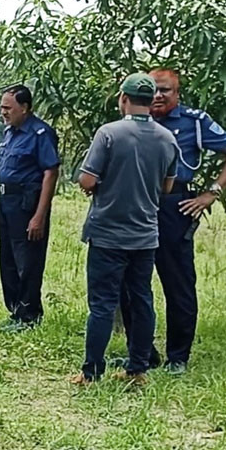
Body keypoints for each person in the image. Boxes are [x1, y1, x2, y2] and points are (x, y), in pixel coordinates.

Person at [119, 68, 226, 376]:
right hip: (135, 204)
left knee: (178, 283)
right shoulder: (132, 121)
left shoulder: (194, 121)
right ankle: (142, 354)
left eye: (165, 90)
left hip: (173, 206)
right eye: (153, 89)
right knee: (128, 280)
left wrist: (211, 194)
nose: (158, 95)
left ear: (177, 94)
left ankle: (178, 357)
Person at [75, 73, 179, 386]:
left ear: (123, 98)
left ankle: (92, 372)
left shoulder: (109, 133)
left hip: (107, 234)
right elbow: (167, 187)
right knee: (142, 300)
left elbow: (87, 180)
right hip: (145, 236)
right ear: (151, 101)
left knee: (102, 305)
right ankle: (137, 370)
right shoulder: (167, 139)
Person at [0, 85, 60, 330]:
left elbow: (50, 172)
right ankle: (15, 310)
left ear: (24, 107)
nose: (3, 112)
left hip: (27, 203)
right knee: (8, 258)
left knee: (28, 260)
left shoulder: (40, 133)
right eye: (2, 107)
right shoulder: (10, 132)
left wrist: (39, 215)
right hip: (6, 202)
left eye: (8, 108)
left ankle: (29, 314)